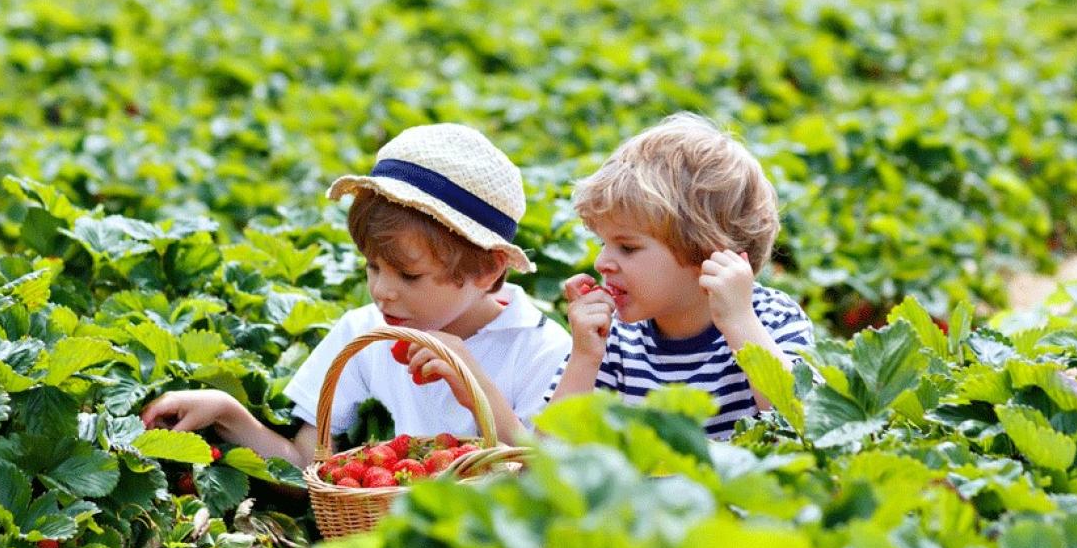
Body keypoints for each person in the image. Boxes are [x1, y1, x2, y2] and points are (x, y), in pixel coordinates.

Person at [141, 124, 571, 466]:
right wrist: (225, 411)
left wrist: (475, 387)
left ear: (488, 268)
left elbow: (545, 485)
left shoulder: (541, 351)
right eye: (373, 266)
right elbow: (303, 463)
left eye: (409, 275)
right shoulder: (363, 333)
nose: (383, 292)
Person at [546, 112, 814, 440]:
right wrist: (585, 358)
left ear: (706, 255)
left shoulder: (770, 318)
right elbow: (543, 460)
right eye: (604, 243)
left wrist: (741, 324)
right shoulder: (615, 338)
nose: (602, 262)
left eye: (627, 247)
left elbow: (809, 426)